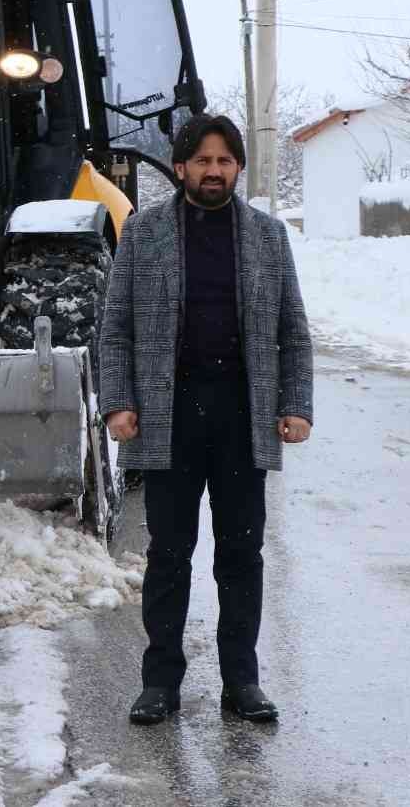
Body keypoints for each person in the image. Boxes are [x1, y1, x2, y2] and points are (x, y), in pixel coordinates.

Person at [97, 113, 314, 727]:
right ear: (182, 167)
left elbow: (293, 334)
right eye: (202, 160)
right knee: (169, 554)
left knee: (242, 556)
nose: (213, 170)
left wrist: (295, 406)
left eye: (224, 160)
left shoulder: (269, 238)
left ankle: (241, 682)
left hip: (242, 418)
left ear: (237, 167)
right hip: (168, 418)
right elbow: (115, 333)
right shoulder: (143, 235)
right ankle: (159, 682)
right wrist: (119, 401)